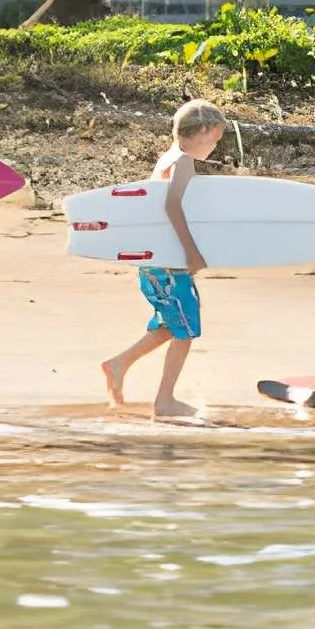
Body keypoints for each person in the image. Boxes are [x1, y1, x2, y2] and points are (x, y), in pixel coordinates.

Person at [101, 99, 226, 420]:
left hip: (156, 260)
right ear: (206, 131)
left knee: (173, 324)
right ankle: (165, 400)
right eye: (215, 139)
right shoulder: (183, 162)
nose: (214, 146)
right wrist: (191, 251)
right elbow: (172, 207)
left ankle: (119, 364)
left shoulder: (167, 159)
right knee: (185, 331)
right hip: (169, 263)